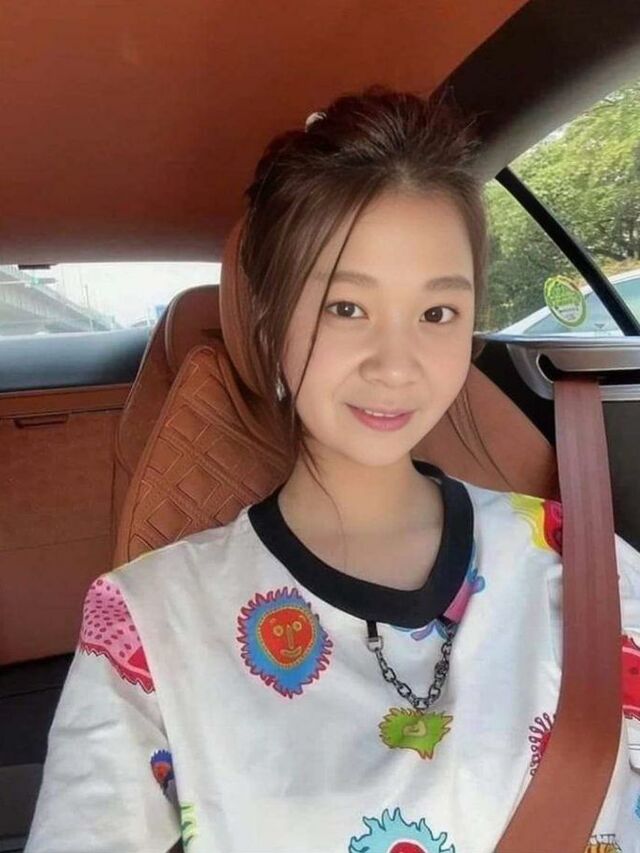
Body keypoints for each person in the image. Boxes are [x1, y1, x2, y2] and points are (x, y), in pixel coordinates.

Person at [26, 86, 640, 853]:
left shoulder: (578, 562)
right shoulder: (147, 626)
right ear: (271, 320)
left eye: (437, 313)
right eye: (346, 307)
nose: (396, 365)